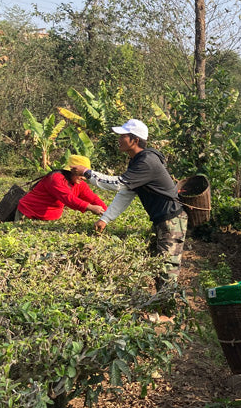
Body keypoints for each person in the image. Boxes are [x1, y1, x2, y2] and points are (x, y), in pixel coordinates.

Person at [70, 119, 188, 289]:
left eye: (123, 136)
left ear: (135, 140)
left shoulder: (147, 161)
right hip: (162, 219)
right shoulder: (138, 161)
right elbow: (126, 192)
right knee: (157, 263)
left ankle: (169, 313)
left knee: (167, 267)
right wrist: (106, 219)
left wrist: (88, 173)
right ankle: (161, 308)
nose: (118, 139)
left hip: (171, 220)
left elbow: (117, 183)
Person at [16, 155, 107, 221]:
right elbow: (68, 198)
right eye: (80, 174)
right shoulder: (56, 178)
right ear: (71, 171)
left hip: (48, 219)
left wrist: (107, 213)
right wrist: (90, 207)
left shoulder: (79, 184)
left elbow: (92, 198)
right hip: (29, 213)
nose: (83, 178)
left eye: (85, 175)